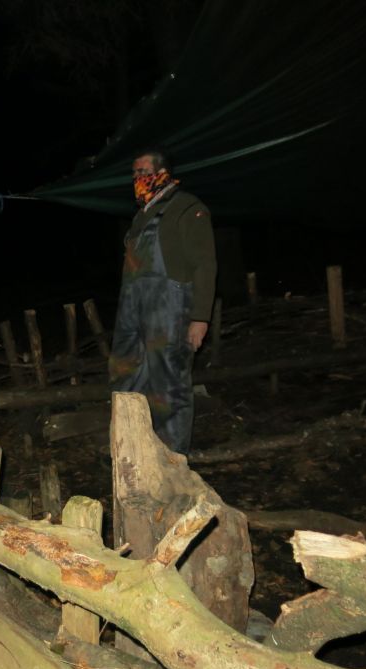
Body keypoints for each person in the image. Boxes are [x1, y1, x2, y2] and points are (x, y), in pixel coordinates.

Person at [109, 149, 216, 455]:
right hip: (132, 311)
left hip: (170, 310)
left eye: (143, 172)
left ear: (162, 173)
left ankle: (171, 462)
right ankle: (131, 455)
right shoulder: (139, 217)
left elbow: (205, 263)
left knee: (169, 385)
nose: (137, 179)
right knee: (125, 377)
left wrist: (200, 317)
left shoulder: (187, 207)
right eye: (134, 174)